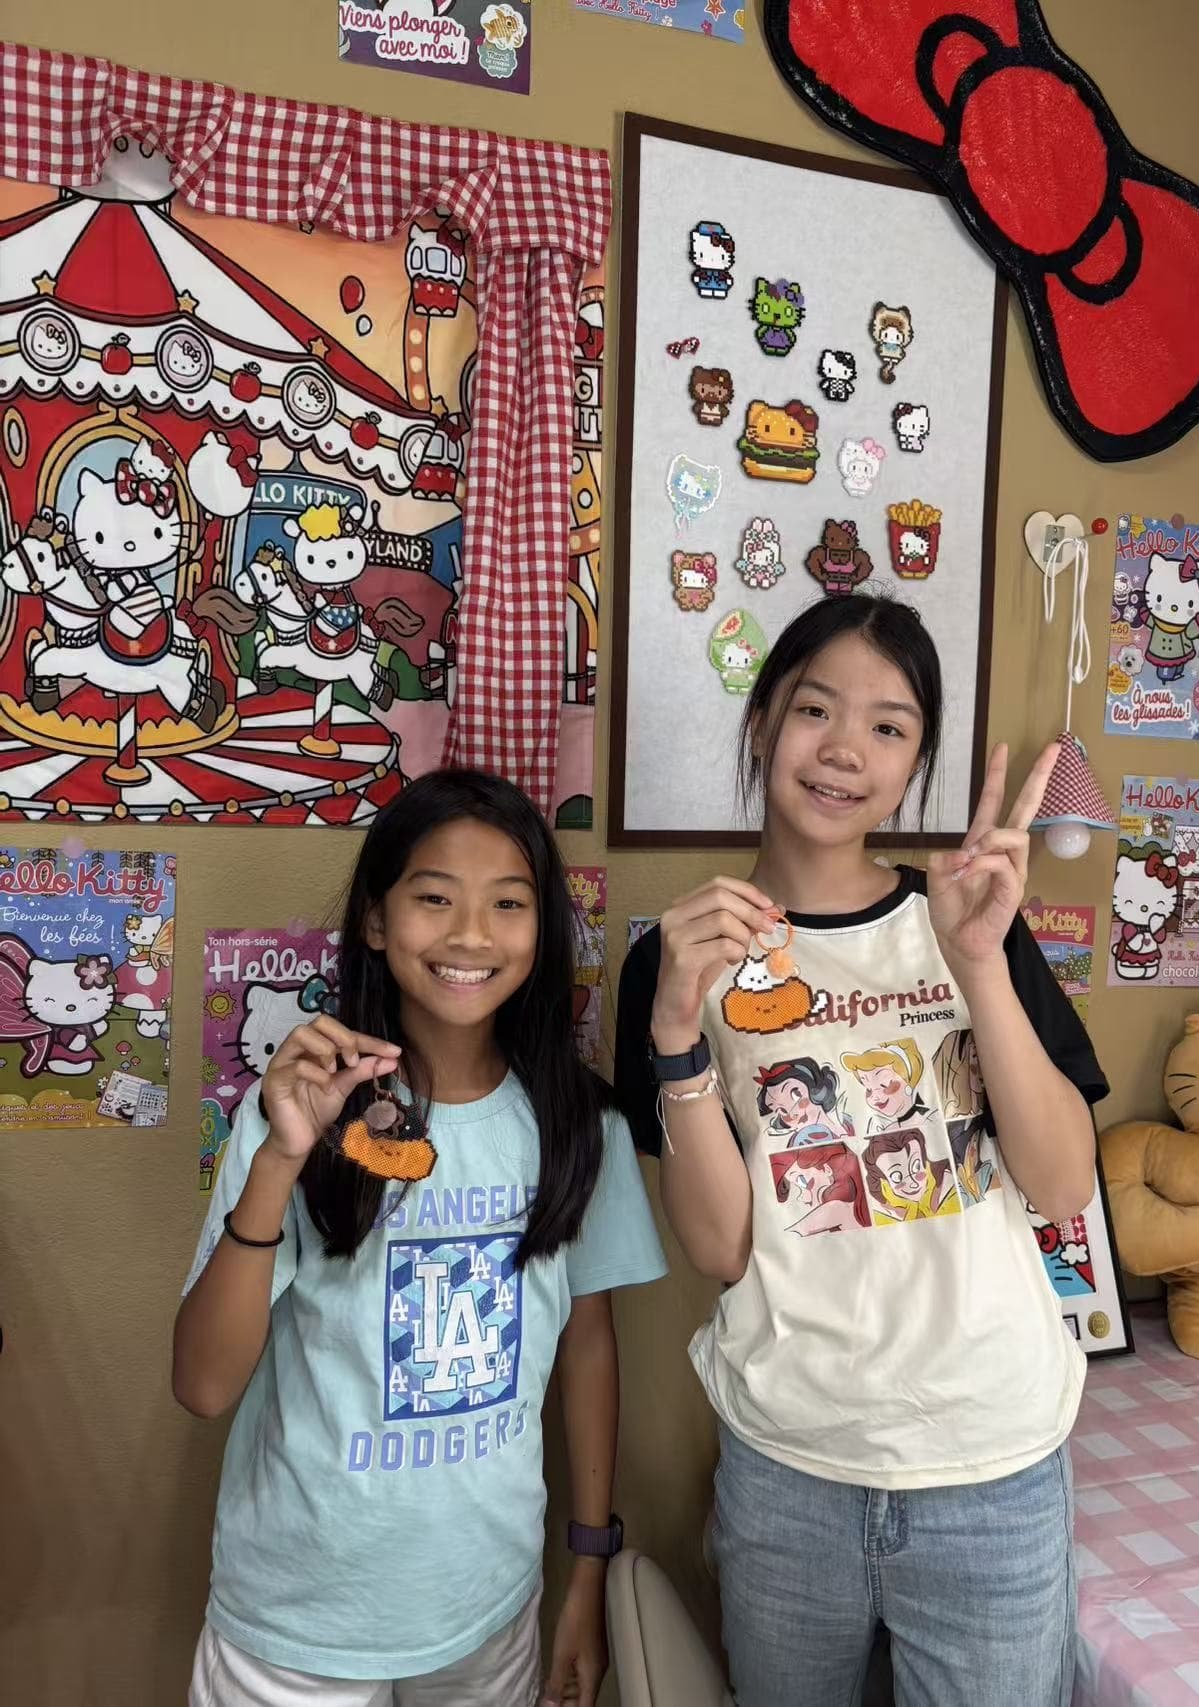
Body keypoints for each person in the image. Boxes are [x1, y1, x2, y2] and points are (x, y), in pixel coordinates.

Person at [615, 594, 1107, 1707]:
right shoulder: (677, 957)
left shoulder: (968, 917)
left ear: (915, 762)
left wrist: (977, 963)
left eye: (887, 727)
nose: (844, 750)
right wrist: (677, 1034)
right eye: (814, 710)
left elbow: (1063, 1183)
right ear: (759, 726)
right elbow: (721, 1248)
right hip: (789, 1466)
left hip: (991, 1460)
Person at [176, 770, 666, 1707]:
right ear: (374, 918)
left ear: (542, 927)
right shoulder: (294, 1114)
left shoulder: (579, 1124)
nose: (471, 935)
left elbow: (587, 1342)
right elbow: (201, 1386)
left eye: (508, 904)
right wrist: (280, 1158)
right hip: (295, 1623)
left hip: (488, 1612)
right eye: (434, 898)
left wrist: (589, 1572)